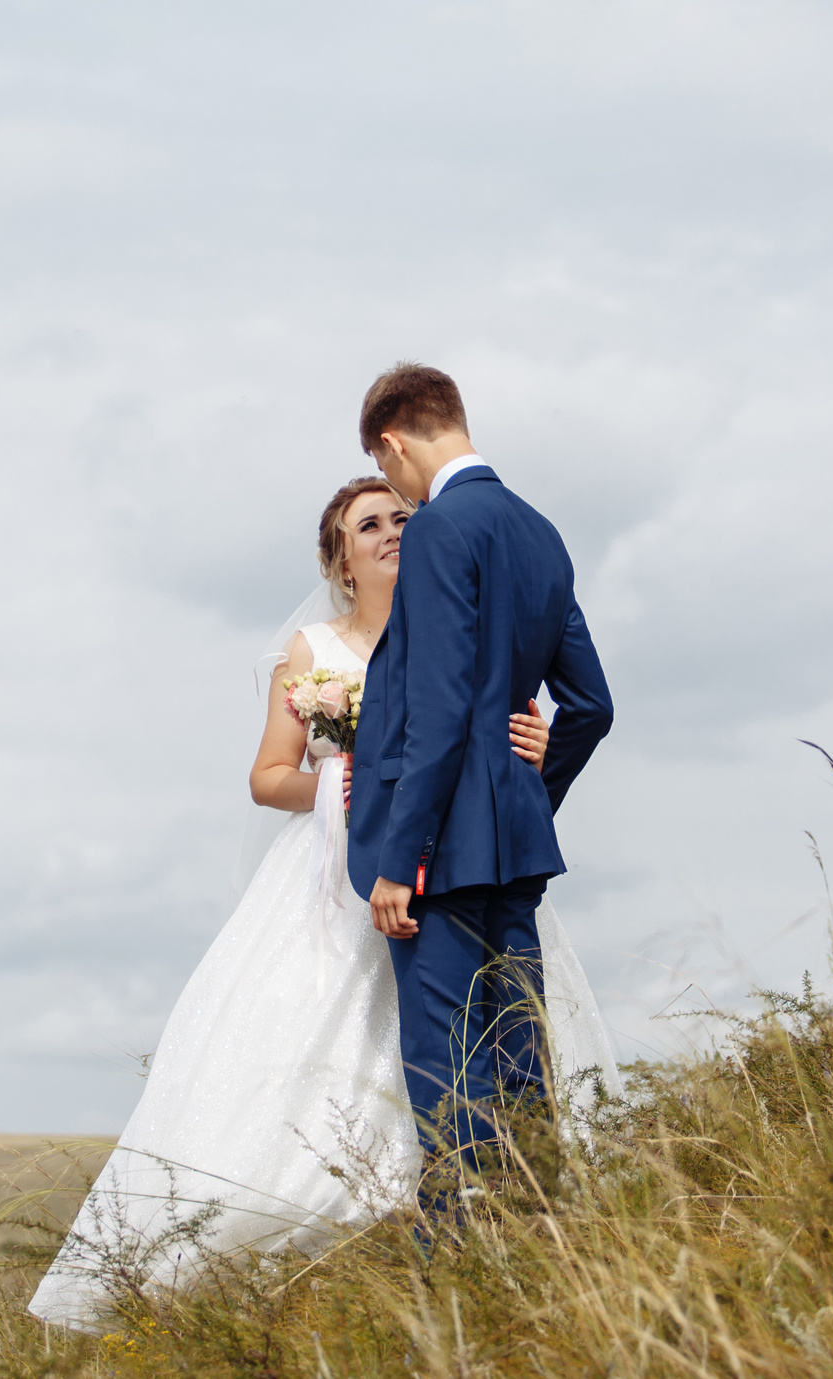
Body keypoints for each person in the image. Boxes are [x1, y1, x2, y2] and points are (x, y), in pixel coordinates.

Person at [27, 475, 620, 1331]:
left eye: (403, 517)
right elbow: (268, 775)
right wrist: (346, 780)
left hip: (459, 864)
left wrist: (530, 745)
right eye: (369, 524)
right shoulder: (313, 651)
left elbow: (513, 721)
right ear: (340, 559)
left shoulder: (466, 624)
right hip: (339, 872)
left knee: (489, 1032)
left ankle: (481, 1218)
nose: (392, 532)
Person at [345, 363, 614, 1185]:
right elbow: (592, 705)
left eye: (385, 467)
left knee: (448, 1075)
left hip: (441, 863)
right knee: (521, 1063)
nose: (394, 486)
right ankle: (539, 1249)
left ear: (394, 441)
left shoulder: (437, 529)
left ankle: (462, 1272)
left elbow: (439, 705)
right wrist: (526, 785)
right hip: (515, 855)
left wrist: (402, 859)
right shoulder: (541, 534)